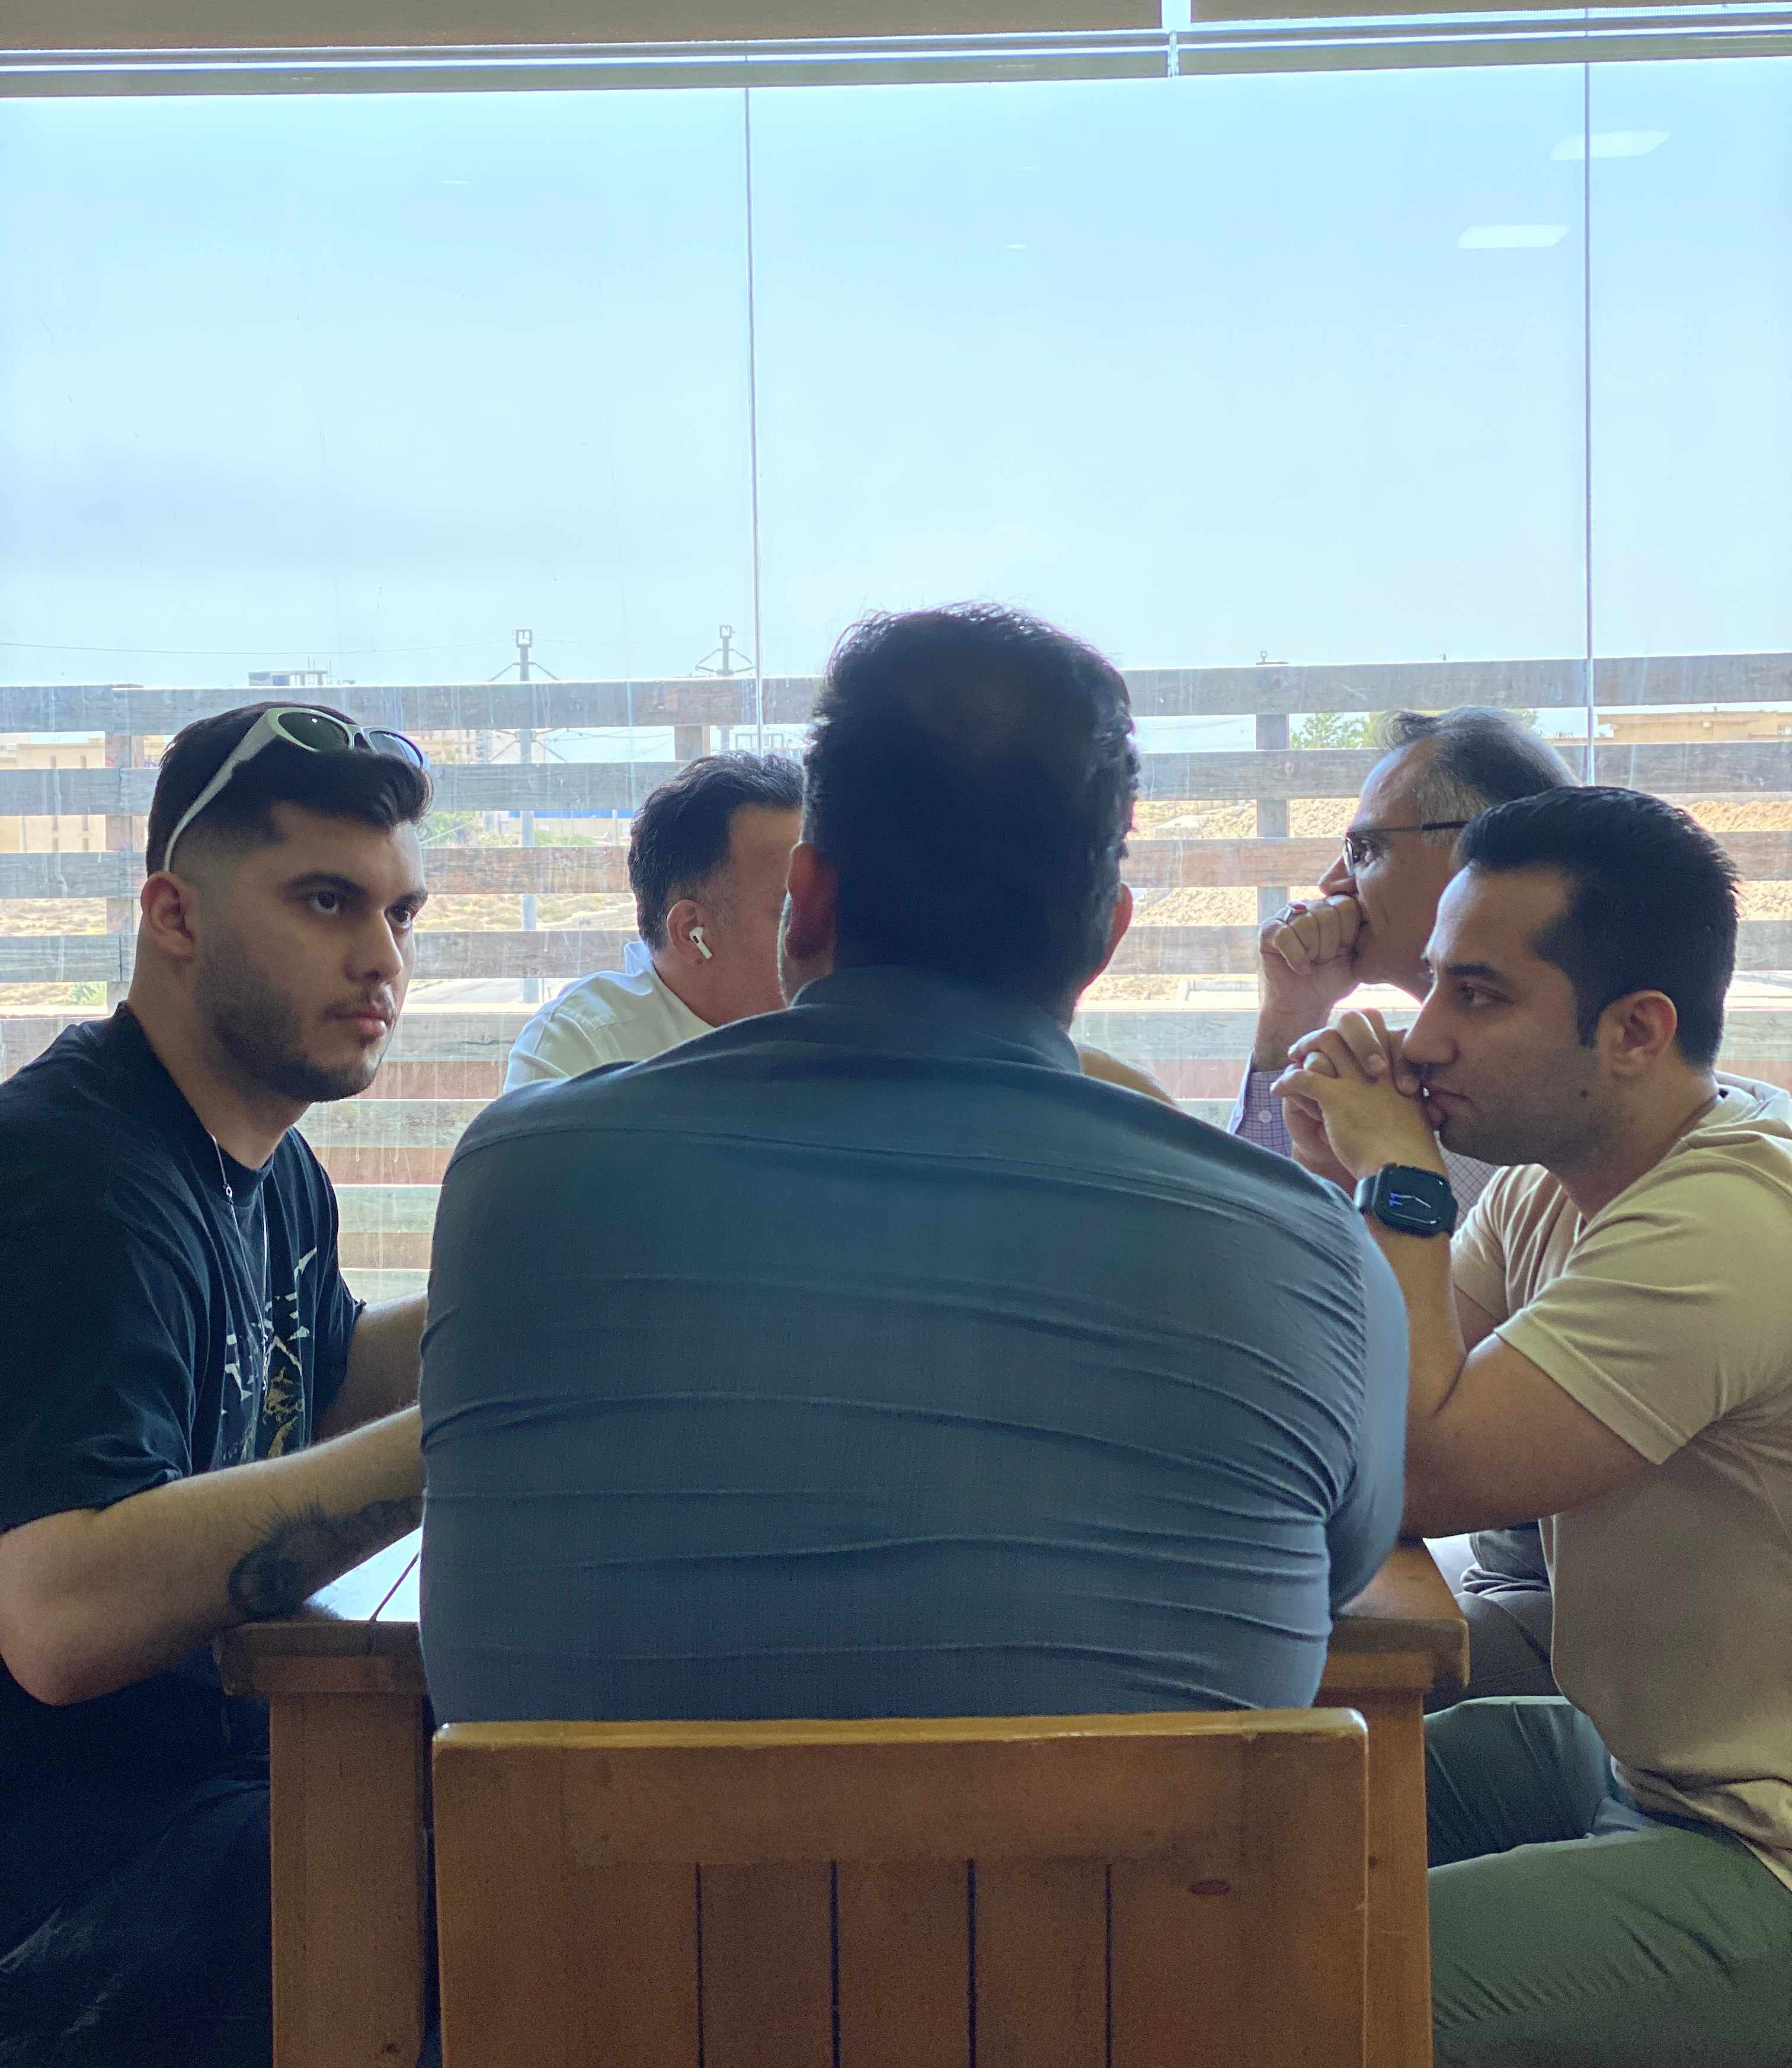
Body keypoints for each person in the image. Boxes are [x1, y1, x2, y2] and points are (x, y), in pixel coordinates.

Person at [421, 605, 1406, 1727]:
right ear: (1106, 936)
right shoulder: (1312, 1258)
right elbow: (1334, 1570)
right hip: (1114, 1852)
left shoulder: (516, 1180)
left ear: (805, 903)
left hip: (599, 1854)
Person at [1272, 787, 1792, 2067]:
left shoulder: (1726, 1222)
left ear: (1634, 1031)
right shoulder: (1553, 1192)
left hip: (1758, 1847)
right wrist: (1348, 1182)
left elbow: (1418, 1472)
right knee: (1242, 1824)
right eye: (1431, 984)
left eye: (1478, 996)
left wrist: (1399, 1177)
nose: (1421, 1038)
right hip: (1632, 1763)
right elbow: (1347, 1398)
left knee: (1290, 1989)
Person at [0, 705, 435, 2068]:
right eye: (325, 901)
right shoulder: (76, 1184)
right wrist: (475, 1432)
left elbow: (315, 1391)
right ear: (173, 915)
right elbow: (59, 1617)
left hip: (198, 1802)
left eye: (401, 914)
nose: (382, 959)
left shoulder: (269, 1166)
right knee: (499, 1868)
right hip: (63, 1900)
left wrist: (552, 1309)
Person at [1231, 706, 1575, 1696]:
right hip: (1498, 1570)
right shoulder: (1421, 1079)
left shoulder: (1528, 1103)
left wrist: (1389, 1171)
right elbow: (1278, 1322)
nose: (1333, 882)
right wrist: (1290, 1024)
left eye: (1364, 847)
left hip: (1564, 1610)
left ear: (1478, 848)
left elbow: (1402, 1459)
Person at [503, 752, 802, 1087]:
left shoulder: (837, 1030)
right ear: (693, 933)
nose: (830, 930)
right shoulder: (580, 1051)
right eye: (795, 909)